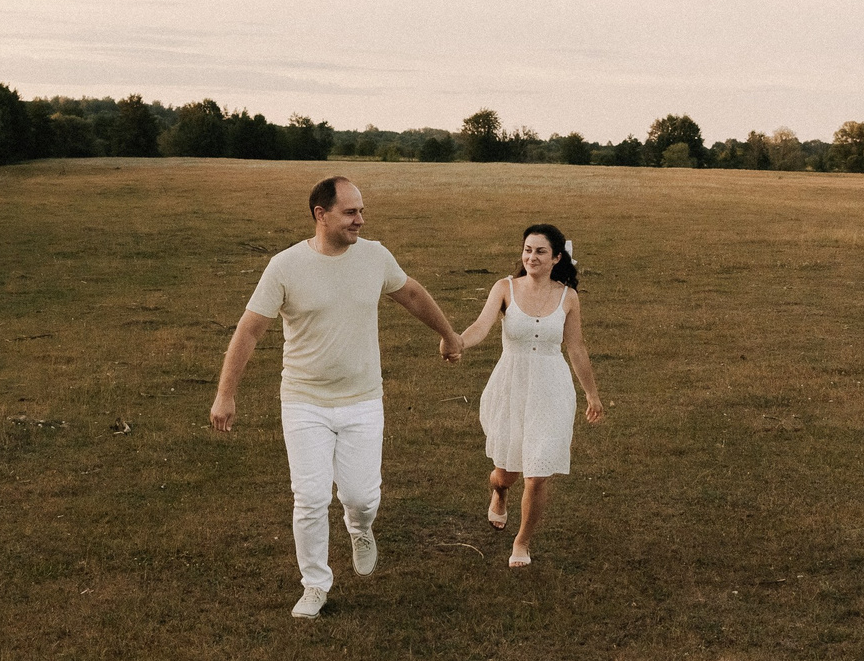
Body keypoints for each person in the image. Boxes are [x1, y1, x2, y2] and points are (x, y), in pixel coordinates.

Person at [210, 175, 464, 616]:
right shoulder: (285, 266)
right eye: (350, 213)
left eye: (362, 211)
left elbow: (411, 293)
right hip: (304, 400)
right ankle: (314, 584)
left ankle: (359, 526)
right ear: (320, 215)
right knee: (309, 497)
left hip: (363, 399)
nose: (360, 220)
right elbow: (249, 331)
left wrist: (448, 334)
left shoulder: (375, 257)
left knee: (362, 497)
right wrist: (225, 395)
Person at [455, 223, 604, 567]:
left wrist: (592, 395)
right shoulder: (504, 287)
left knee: (538, 473)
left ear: (556, 257)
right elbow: (481, 325)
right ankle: (500, 491)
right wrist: (459, 341)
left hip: (552, 390)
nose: (531, 256)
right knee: (507, 472)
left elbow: (576, 347)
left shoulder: (568, 297)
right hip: (511, 386)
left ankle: (521, 541)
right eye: (527, 250)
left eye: (539, 251)